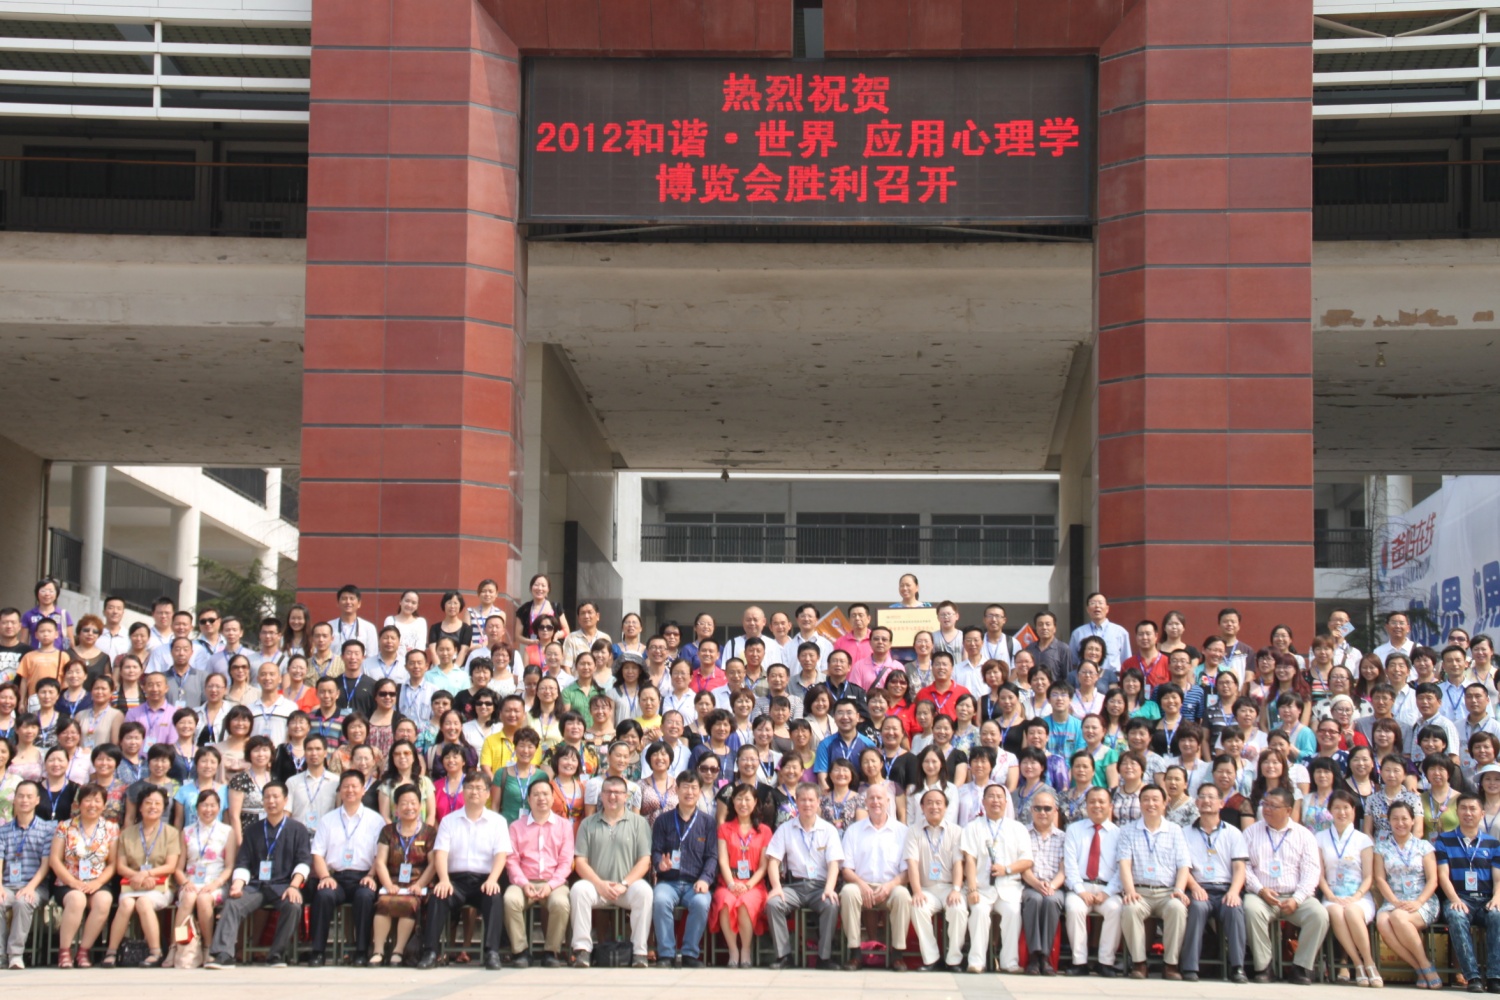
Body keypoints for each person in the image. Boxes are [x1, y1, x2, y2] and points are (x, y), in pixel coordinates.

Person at [205, 781, 311, 969]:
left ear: (285, 800)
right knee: (233, 904)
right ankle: (223, 954)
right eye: (267, 797)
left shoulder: (298, 829)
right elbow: (243, 862)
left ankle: (276, 955)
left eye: (276, 797)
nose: (271, 801)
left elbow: (303, 862)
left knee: (293, 905)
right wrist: (238, 884)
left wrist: (294, 886)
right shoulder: (253, 830)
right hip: (256, 886)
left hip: (283, 885)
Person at [414, 770, 512, 971]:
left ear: (488, 793)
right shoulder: (449, 821)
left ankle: (492, 952)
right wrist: (443, 880)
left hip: (484, 880)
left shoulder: (498, 822)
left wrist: (493, 879)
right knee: (438, 897)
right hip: (455, 881)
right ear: (463, 791)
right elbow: (441, 853)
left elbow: (500, 855)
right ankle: (430, 952)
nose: (474, 792)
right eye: (470, 787)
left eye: (479, 788)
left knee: (494, 897)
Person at [1243, 786, 1328, 984]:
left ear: (1288, 810)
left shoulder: (1304, 835)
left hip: (1295, 896)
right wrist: (1260, 890)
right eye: (1265, 804)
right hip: (1262, 896)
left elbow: (1311, 872)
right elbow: (1244, 867)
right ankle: (1264, 967)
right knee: (1250, 909)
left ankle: (1301, 967)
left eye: (1273, 806)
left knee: (1319, 915)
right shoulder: (1251, 832)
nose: (1267, 809)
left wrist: (1297, 899)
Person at [569, 774, 652, 967]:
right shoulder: (588, 824)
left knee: (645, 892)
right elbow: (580, 861)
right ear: (601, 795)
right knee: (578, 890)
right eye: (608, 792)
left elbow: (644, 861)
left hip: (626, 887)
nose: (612, 796)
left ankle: (639, 952)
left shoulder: (639, 823)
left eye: (617, 792)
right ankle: (582, 950)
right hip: (597, 887)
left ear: (626, 796)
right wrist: (599, 884)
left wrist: (624, 884)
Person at [307, 770, 383, 966]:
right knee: (323, 895)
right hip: (336, 877)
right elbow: (317, 853)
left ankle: (361, 951)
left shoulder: (375, 820)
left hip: (364, 876)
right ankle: (318, 951)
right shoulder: (328, 820)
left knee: (365, 897)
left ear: (363, 790)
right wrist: (325, 877)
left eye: (354, 786)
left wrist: (371, 875)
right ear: (340, 790)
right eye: (346, 787)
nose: (350, 790)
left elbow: (380, 855)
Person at [1117, 784, 1192, 979]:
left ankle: (1171, 965)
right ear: (1140, 803)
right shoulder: (1128, 831)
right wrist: (1130, 891)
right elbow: (1124, 863)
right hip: (1140, 892)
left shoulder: (1175, 830)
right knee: (1130, 909)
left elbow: (1183, 865)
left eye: (1155, 799)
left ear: (1164, 803)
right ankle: (1139, 963)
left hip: (1167, 892)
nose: (1151, 804)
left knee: (1177, 908)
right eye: (1146, 799)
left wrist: (1179, 890)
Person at [764, 782, 842, 968]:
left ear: (818, 802)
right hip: (794, 887)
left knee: (831, 905)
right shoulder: (785, 828)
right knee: (773, 903)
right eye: (803, 800)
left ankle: (824, 958)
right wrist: (776, 887)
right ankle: (784, 956)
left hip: (820, 887)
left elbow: (834, 863)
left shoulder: (828, 830)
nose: (807, 804)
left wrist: (830, 888)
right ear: (796, 802)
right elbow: (773, 861)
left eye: (811, 800)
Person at [103, 785, 180, 967]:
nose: (153, 807)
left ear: (164, 807)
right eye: (148, 803)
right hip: (132, 884)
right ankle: (112, 952)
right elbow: (121, 866)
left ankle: (155, 952)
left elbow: (170, 866)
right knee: (127, 904)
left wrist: (146, 874)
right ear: (140, 807)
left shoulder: (171, 833)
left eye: (157, 803)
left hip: (160, 886)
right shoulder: (127, 833)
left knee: (144, 902)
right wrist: (137, 877)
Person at [1180, 782, 1248, 983]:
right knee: (1197, 908)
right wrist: (1194, 886)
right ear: (1196, 802)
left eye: (1211, 797)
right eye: (1202, 796)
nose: (1206, 801)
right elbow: (1182, 867)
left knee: (1234, 909)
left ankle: (1238, 967)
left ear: (1221, 803)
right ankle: (1190, 967)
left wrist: (1234, 891)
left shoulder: (1233, 833)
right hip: (1199, 887)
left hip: (1226, 888)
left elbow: (1239, 868)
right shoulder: (1184, 833)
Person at [963, 781, 1032, 974]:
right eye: (991, 796)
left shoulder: (1018, 828)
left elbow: (1027, 860)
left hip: (1009, 887)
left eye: (1000, 797)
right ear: (983, 802)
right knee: (978, 912)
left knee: (1012, 913)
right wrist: (972, 888)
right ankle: (976, 961)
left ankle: (1009, 962)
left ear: (1006, 802)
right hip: (982, 887)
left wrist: (1007, 869)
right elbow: (969, 859)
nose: (995, 800)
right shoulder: (972, 827)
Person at [501, 779, 573, 967]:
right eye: (536, 794)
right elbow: (512, 860)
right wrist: (523, 883)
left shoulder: (564, 826)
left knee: (561, 903)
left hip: (554, 883)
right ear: (529, 799)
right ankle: (521, 951)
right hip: (524, 882)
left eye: (545, 794)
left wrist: (551, 885)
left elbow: (566, 862)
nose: (541, 798)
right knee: (510, 900)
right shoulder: (516, 827)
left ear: (553, 798)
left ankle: (551, 951)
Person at [1435, 792, 1500, 994]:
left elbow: (1498, 878)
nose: (1468, 813)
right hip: (1459, 898)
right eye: (1463, 808)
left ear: (1482, 813)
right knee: (1456, 915)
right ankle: (1472, 977)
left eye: (1473, 809)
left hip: (1485, 899)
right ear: (1457, 812)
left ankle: (1495, 977)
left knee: (1497, 915)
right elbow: (1443, 875)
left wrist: (1497, 898)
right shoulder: (1444, 840)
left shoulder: (1493, 843)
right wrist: (1455, 899)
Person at [650, 771, 717, 967]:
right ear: (676, 790)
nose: (689, 792)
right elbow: (656, 851)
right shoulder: (663, 820)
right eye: (685, 787)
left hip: (695, 883)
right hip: (668, 881)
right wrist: (659, 864)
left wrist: (705, 879)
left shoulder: (708, 822)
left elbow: (712, 856)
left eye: (694, 787)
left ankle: (689, 954)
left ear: (699, 791)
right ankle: (666, 954)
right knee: (660, 900)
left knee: (701, 903)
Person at [50, 782, 119, 968]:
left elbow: (113, 863)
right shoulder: (65, 827)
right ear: (79, 804)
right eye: (87, 800)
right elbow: (55, 860)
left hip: (97, 881)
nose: (92, 805)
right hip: (68, 882)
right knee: (77, 899)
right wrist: (72, 882)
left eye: (97, 801)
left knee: (104, 900)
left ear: (104, 805)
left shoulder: (111, 828)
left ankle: (83, 951)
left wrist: (98, 883)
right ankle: (65, 951)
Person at [1374, 799, 1441, 988]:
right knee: (1382, 921)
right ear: (1389, 821)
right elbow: (1380, 879)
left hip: (1422, 900)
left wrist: (1419, 902)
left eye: (1404, 818)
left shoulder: (1424, 846)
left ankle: (1425, 966)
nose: (1400, 823)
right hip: (1393, 900)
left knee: (1398, 917)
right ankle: (1421, 967)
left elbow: (1433, 880)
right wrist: (1394, 901)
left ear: (1412, 821)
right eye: (1395, 819)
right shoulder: (1381, 847)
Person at [369, 782, 437, 965]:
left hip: (418, 884)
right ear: (396, 808)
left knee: (409, 903)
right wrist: (388, 885)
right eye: (404, 803)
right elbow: (380, 862)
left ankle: (398, 951)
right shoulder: (388, 831)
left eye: (413, 803)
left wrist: (419, 885)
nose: (409, 807)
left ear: (420, 806)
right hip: (392, 882)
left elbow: (433, 864)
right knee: (383, 902)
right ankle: (378, 950)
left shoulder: (429, 832)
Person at [902, 785, 967, 972]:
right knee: (917, 906)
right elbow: (912, 863)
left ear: (946, 807)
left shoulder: (956, 831)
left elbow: (958, 864)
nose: (934, 807)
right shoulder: (913, 831)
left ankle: (954, 960)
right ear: (922, 807)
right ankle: (931, 958)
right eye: (929, 803)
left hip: (950, 887)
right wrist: (916, 891)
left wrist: (956, 889)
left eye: (939, 803)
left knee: (958, 909)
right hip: (926, 889)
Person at [711, 781, 773, 967]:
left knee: (745, 903)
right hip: (729, 881)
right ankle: (733, 950)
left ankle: (745, 950)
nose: (743, 803)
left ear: (755, 802)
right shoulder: (724, 828)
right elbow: (722, 860)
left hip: (754, 883)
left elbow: (764, 866)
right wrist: (731, 884)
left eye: (747, 799)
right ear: (732, 801)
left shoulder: (764, 831)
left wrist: (747, 885)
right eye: (739, 799)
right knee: (724, 900)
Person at [1064, 786, 1123, 976]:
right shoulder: (1074, 830)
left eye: (1101, 802)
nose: (1097, 805)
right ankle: (1079, 962)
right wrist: (1081, 891)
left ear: (1110, 806)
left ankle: (1105, 962)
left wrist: (1108, 892)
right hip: (1080, 887)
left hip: (1108, 889)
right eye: (1092, 802)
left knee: (1116, 909)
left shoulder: (1119, 834)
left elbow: (1122, 869)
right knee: (1074, 908)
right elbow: (1070, 865)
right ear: (1086, 805)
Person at [173, 787, 236, 965]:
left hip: (215, 882)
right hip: (191, 881)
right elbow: (178, 868)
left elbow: (229, 866)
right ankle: (177, 946)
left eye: (212, 805)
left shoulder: (227, 831)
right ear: (197, 807)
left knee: (203, 899)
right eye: (204, 805)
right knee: (188, 898)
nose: (208, 809)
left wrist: (216, 884)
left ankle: (208, 947)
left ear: (219, 808)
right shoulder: (187, 831)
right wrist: (185, 882)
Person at [0, 780, 56, 969]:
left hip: (36, 886)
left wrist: (30, 887)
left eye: (29, 796)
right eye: (21, 796)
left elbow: (46, 865)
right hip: (8, 885)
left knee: (22, 901)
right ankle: (0, 954)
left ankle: (15, 954)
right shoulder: (3, 830)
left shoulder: (47, 829)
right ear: (14, 799)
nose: (24, 800)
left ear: (37, 800)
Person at [1020, 787, 1067, 975]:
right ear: (1031, 810)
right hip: (1030, 884)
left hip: (1054, 886)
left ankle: (1045, 956)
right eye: (1038, 808)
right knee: (1034, 899)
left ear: (1055, 811)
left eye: (1047, 808)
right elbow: (1023, 866)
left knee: (1051, 900)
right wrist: (1037, 884)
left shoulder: (1063, 837)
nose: (1042, 812)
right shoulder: (1022, 833)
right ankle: (1034, 956)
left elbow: (1064, 869)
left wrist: (1052, 886)